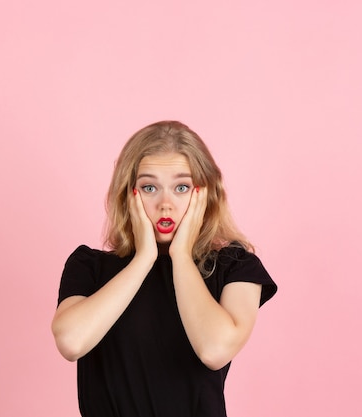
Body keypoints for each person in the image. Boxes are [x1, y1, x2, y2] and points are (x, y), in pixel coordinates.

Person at [51, 120, 277, 417]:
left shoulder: (236, 268)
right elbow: (71, 341)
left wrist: (181, 255)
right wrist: (143, 258)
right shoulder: (89, 266)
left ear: (204, 195)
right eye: (149, 187)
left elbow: (214, 350)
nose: (165, 204)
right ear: (128, 193)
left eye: (181, 187)